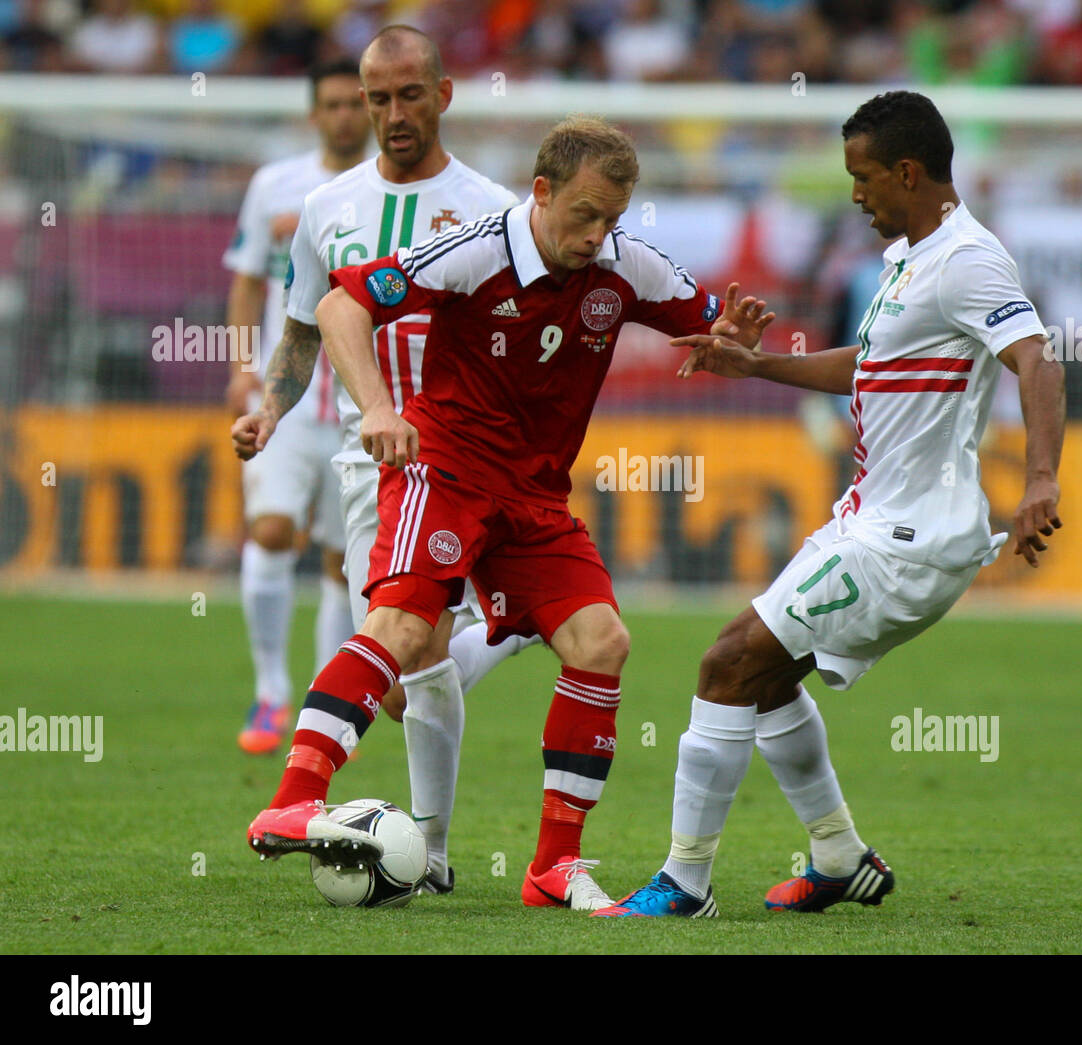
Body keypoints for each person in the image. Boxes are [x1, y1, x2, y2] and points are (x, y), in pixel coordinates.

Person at [244, 112, 774, 911]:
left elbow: (710, 325)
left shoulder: (628, 265)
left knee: (602, 641)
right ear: (541, 192)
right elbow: (339, 308)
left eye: (613, 219)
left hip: (533, 496)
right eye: (584, 215)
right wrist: (380, 408)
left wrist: (729, 343)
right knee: (407, 631)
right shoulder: (473, 249)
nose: (598, 235)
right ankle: (293, 795)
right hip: (444, 469)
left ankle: (552, 865)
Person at [594, 90, 1065, 918]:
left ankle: (685, 882)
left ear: (909, 172)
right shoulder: (909, 261)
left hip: (910, 538)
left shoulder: (970, 260)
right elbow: (868, 367)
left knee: (727, 662)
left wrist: (1039, 480)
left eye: (865, 176)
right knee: (767, 678)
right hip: (868, 517)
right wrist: (755, 366)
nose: (856, 194)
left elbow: (1038, 360)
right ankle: (841, 857)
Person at [232, 26, 533, 895]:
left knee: (406, 647)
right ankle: (509, 630)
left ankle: (429, 851)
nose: (393, 115)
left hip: (466, 455)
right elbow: (299, 332)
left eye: (409, 95)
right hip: (374, 465)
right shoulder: (328, 207)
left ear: (443, 95)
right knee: (411, 673)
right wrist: (269, 411)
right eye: (377, 99)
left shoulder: (493, 208)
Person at [224, 57, 369, 755]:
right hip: (282, 391)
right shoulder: (273, 185)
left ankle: (324, 702)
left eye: (355, 103)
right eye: (333, 103)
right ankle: (269, 691)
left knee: (345, 562)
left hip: (356, 402)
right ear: (314, 113)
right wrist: (238, 368)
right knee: (273, 529)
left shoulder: (387, 191)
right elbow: (248, 280)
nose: (346, 114)